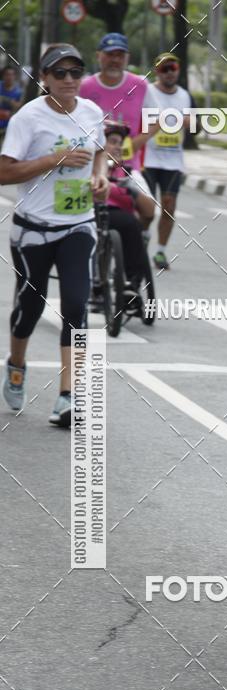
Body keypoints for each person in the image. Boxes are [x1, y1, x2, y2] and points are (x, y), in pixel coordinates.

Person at [0, 44, 108, 426]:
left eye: (75, 72)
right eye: (58, 73)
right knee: (29, 308)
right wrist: (52, 160)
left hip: (78, 224)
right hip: (33, 230)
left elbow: (100, 151)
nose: (68, 80)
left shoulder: (92, 112)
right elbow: (4, 172)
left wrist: (100, 176)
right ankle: (16, 363)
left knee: (76, 306)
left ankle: (68, 396)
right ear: (43, 79)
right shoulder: (27, 119)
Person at [142, 53, 192, 271]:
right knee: (146, 209)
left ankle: (160, 251)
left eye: (172, 67)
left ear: (178, 69)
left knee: (169, 207)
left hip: (173, 160)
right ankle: (141, 242)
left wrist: (190, 121)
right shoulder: (147, 92)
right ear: (156, 72)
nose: (169, 72)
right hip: (148, 159)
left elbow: (193, 125)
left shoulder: (184, 95)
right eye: (164, 69)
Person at [79, 33, 157, 170]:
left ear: (127, 58)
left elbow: (157, 121)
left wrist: (132, 146)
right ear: (98, 56)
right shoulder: (83, 87)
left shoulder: (140, 85)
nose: (115, 60)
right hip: (91, 167)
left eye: (120, 55)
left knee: (143, 192)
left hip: (128, 167)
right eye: (110, 54)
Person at [103, 121, 155, 307]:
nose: (117, 147)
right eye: (112, 142)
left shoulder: (129, 173)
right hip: (87, 217)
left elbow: (149, 212)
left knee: (132, 225)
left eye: (120, 143)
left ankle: (131, 284)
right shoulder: (84, 167)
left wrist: (132, 189)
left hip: (120, 220)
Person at [0, 65, 23, 139]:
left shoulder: (18, 91)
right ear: (3, 76)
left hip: (8, 127)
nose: (9, 77)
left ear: (15, 76)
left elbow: (18, 106)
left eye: (11, 74)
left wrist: (7, 100)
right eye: (7, 74)